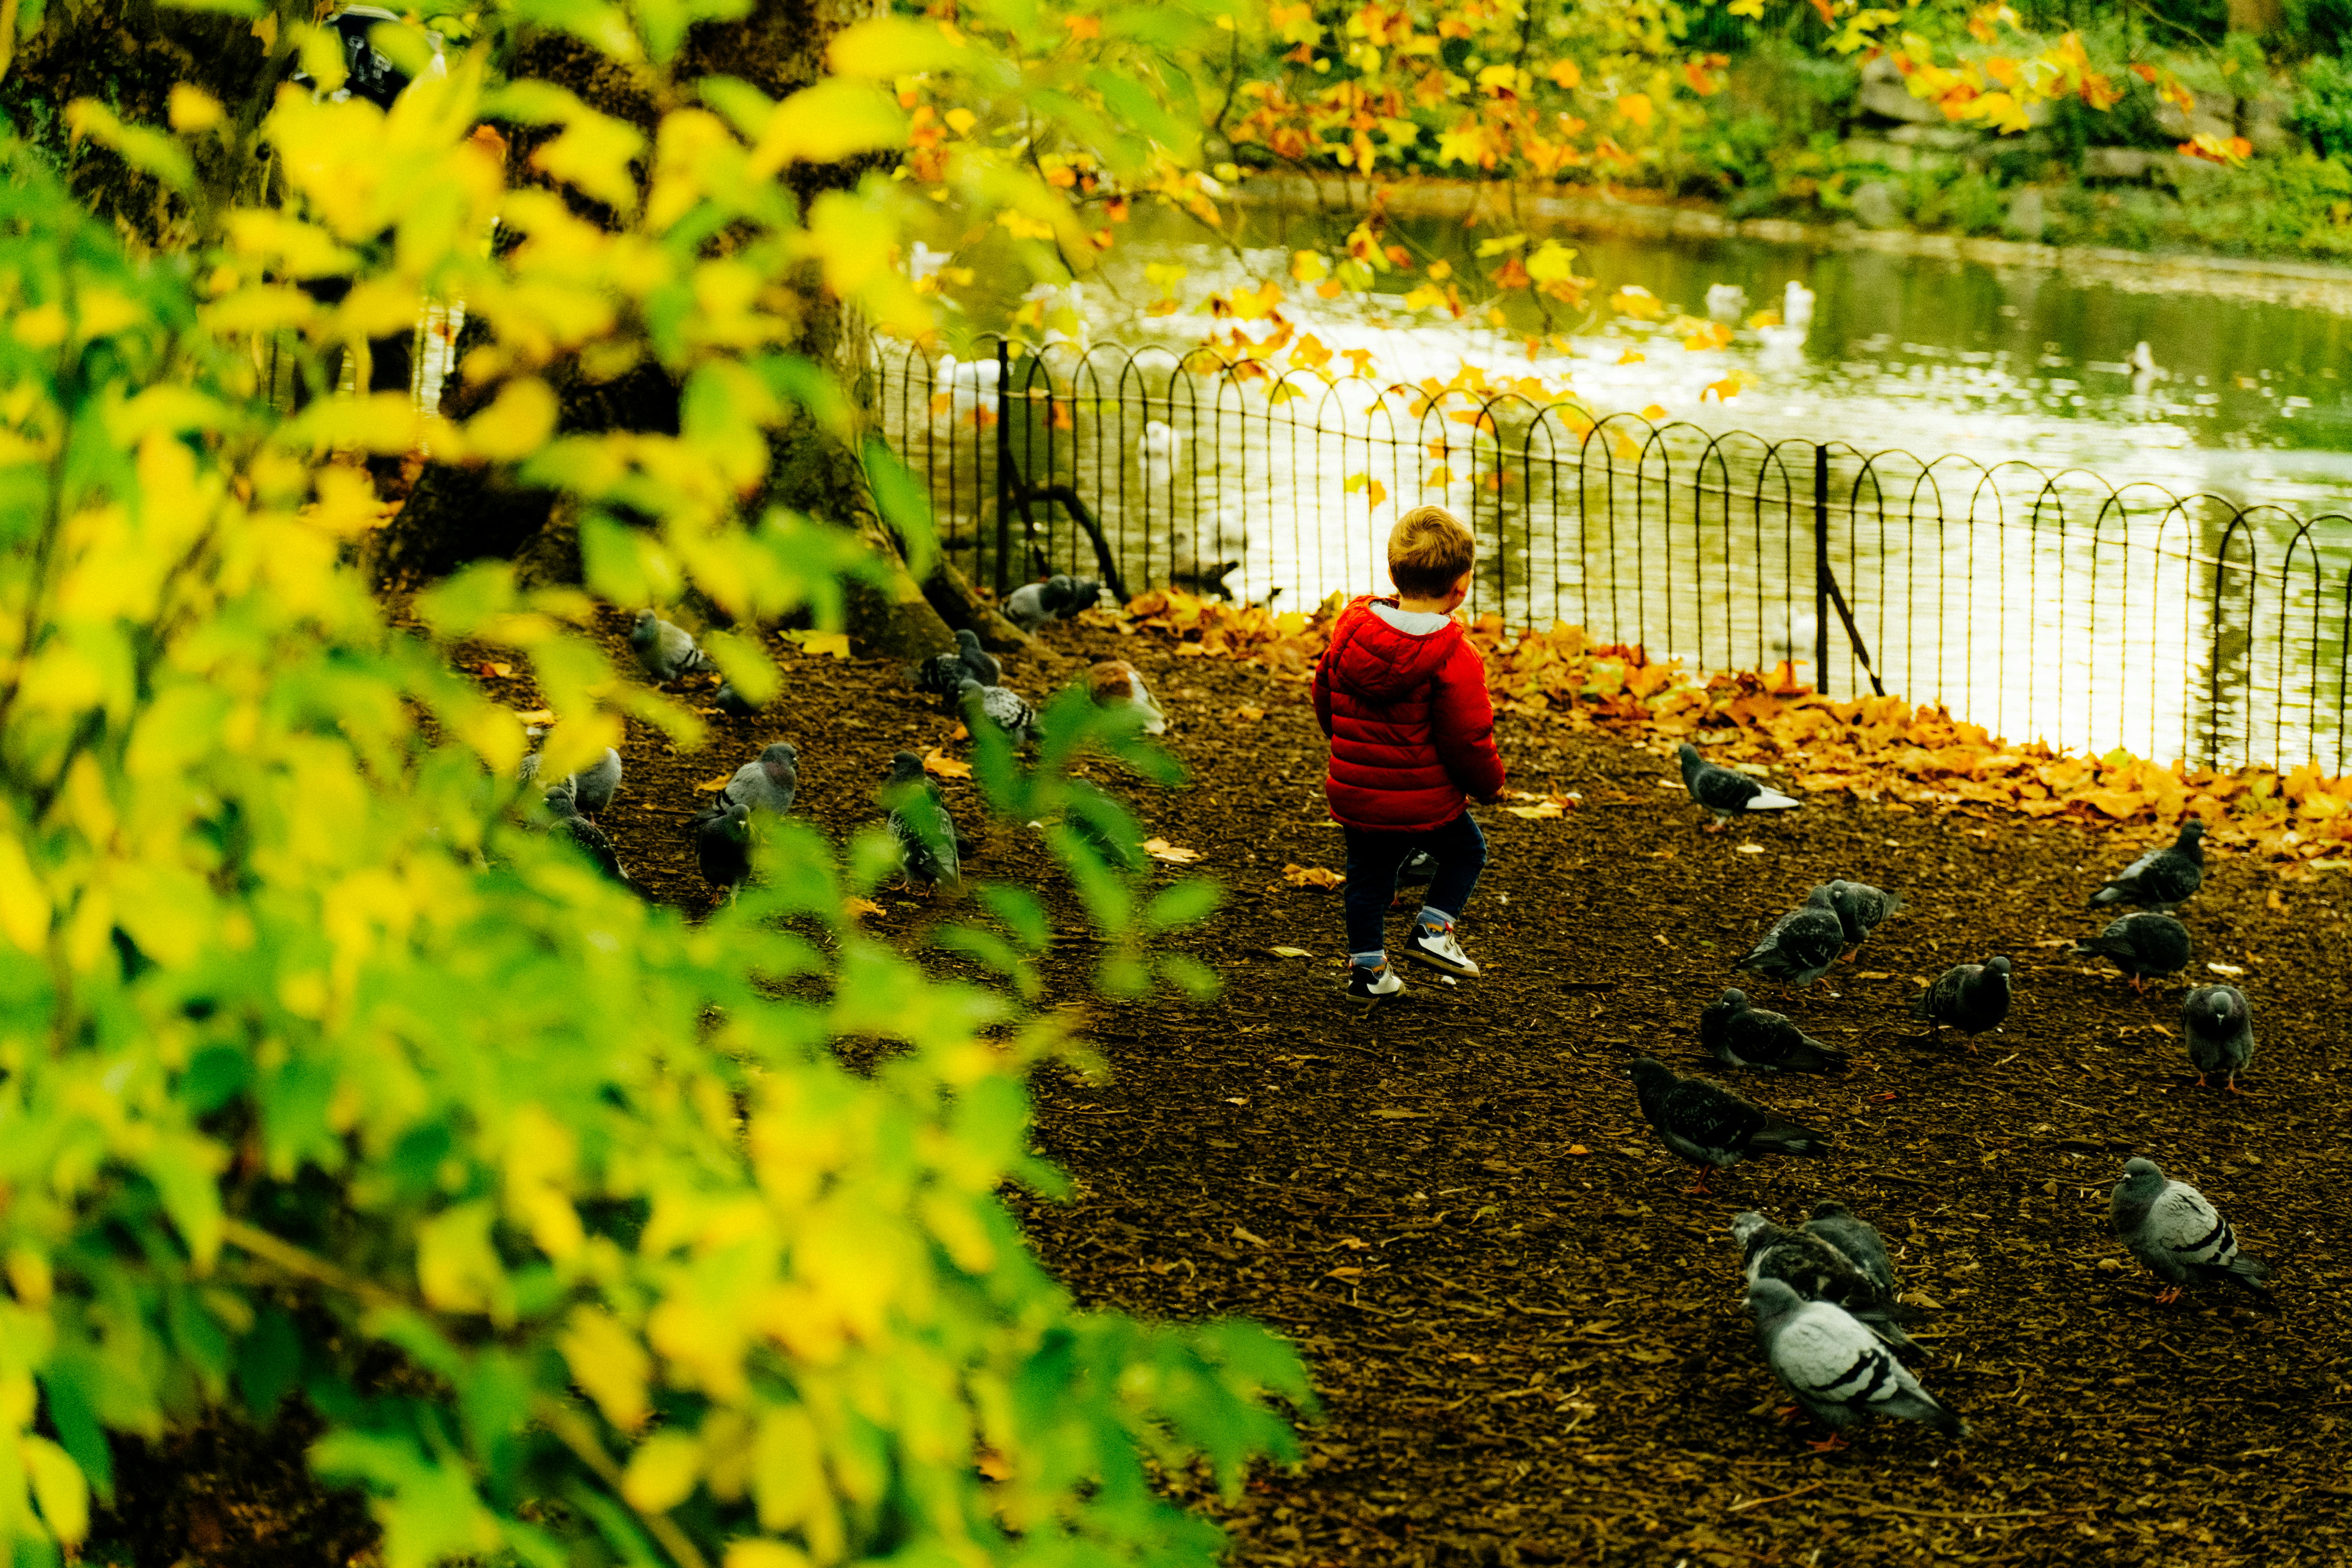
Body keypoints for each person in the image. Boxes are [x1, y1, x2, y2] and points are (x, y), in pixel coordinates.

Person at [1312, 505, 1507, 1001]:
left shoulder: (1352, 632)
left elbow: (1325, 695)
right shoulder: (1454, 656)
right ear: (1460, 588)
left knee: (1367, 880)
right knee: (1467, 851)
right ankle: (1434, 931)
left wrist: (1349, 750)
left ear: (1394, 574)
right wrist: (1490, 785)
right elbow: (1467, 737)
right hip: (1424, 799)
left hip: (1359, 792)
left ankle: (1369, 973)